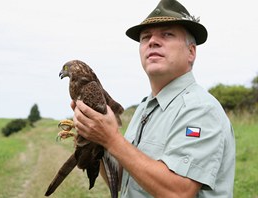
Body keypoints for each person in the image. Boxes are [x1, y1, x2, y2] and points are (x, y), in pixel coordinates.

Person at [72, 0, 235, 197]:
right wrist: (95, 140)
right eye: (146, 37)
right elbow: (128, 182)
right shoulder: (145, 108)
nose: (152, 41)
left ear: (191, 52)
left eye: (167, 34)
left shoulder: (200, 109)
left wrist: (112, 139)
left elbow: (179, 192)